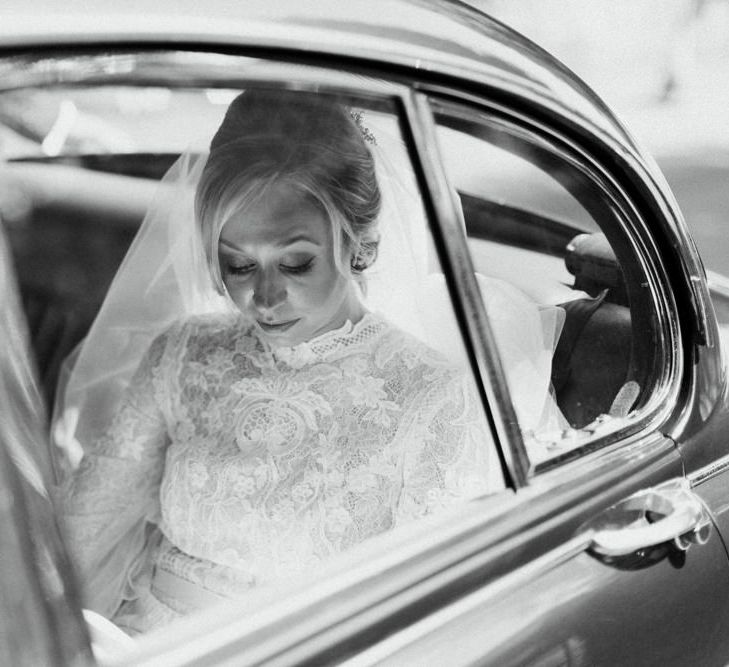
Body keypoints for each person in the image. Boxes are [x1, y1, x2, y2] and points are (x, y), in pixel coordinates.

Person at [56, 89, 509, 635]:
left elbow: (422, 624)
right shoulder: (185, 352)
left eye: (295, 263)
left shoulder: (432, 396)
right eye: (240, 265)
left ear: (358, 244)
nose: (264, 299)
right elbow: (83, 530)